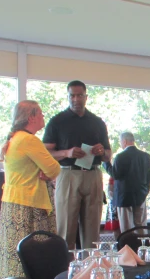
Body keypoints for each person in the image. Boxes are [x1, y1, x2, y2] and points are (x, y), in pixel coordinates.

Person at [0, 101, 60, 279]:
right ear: (31, 117)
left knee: (14, 255)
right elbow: (54, 169)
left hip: (13, 204)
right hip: (30, 205)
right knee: (34, 254)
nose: (43, 116)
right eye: (40, 113)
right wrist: (46, 172)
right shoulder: (29, 140)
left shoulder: (15, 138)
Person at [43, 80, 111, 250]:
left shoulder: (97, 122)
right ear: (67, 96)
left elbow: (108, 155)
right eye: (72, 95)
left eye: (79, 95)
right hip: (68, 175)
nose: (76, 99)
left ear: (86, 97)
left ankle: (90, 272)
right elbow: (45, 154)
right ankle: (64, 272)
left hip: (93, 174)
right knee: (65, 230)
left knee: (92, 232)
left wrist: (101, 151)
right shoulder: (57, 121)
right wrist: (66, 153)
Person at [104, 132, 150, 231]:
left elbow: (115, 175)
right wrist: (145, 191)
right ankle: (142, 246)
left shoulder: (120, 157)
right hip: (140, 196)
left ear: (124, 141)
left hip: (124, 197)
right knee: (141, 227)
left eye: (121, 142)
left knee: (127, 229)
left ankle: (129, 246)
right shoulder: (145, 156)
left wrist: (106, 163)